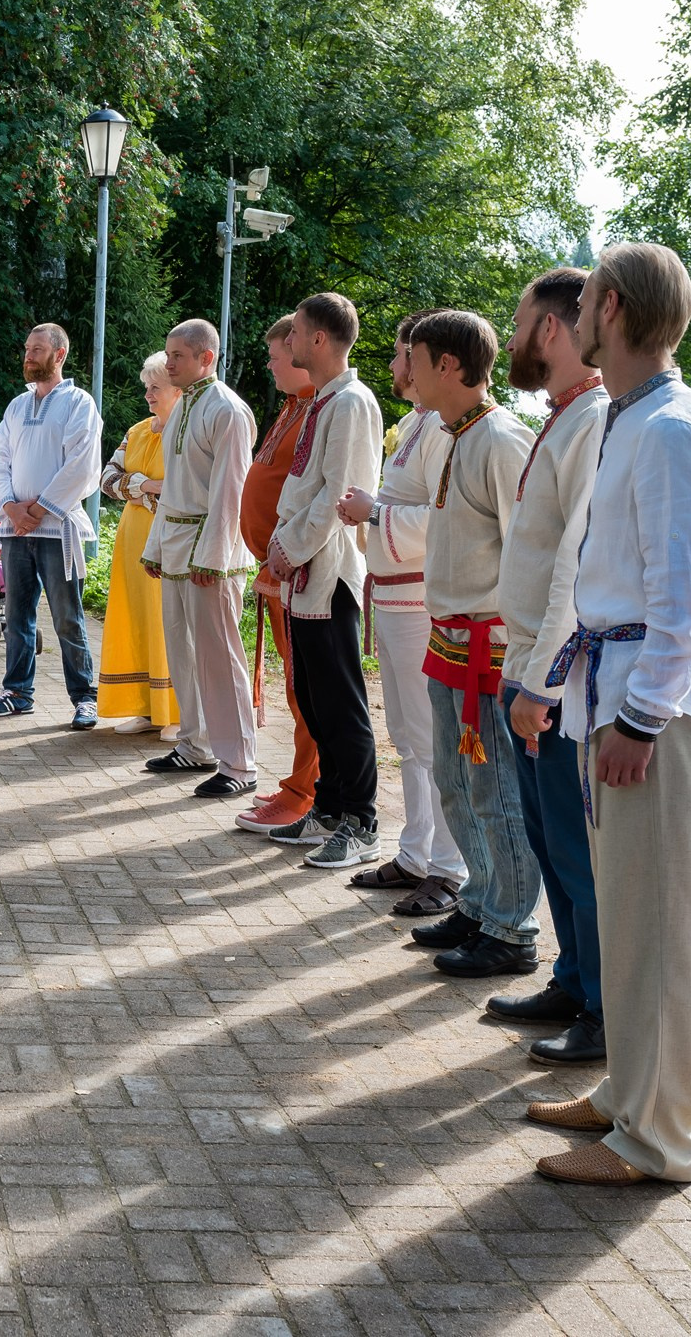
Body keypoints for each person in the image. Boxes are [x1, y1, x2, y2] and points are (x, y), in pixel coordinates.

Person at [530, 243, 691, 1187]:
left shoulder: (673, 429)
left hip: (648, 708)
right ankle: (629, 1093)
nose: (570, 317)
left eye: (582, 301)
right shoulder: (630, 418)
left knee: (655, 925)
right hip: (609, 692)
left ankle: (657, 1140)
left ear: (608, 307)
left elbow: (686, 599)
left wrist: (643, 720)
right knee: (626, 914)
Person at [391, 310, 540, 978]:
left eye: (415, 358)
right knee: (456, 781)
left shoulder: (503, 440)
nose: (408, 370)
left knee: (494, 786)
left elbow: (530, 551)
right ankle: (480, 903)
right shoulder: (451, 435)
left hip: (490, 647)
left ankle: (512, 929)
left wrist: (517, 644)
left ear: (449, 365)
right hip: (449, 643)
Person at [495, 267, 610, 1066]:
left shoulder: (594, 419)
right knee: (549, 839)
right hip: (530, 664)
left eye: (519, 318)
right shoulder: (564, 418)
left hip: (556, 680)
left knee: (575, 847)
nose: (510, 334)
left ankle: (603, 1008)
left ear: (550, 328)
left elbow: (576, 564)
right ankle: (572, 977)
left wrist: (543, 681)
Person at [329, 313, 469, 916]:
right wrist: (377, 511)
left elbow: (446, 521)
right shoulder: (416, 425)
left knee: (434, 737)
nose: (391, 366)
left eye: (399, 355)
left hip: (419, 595)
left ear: (425, 359)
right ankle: (415, 850)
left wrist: (374, 513)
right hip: (392, 593)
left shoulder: (446, 431)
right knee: (409, 735)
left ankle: (449, 866)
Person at [262, 294, 383, 867]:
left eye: (296, 333)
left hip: (328, 570)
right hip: (305, 570)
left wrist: (289, 545)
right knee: (313, 695)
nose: (286, 343)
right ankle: (331, 805)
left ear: (317, 339)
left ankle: (360, 819)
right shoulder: (324, 400)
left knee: (339, 699)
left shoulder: (351, 403)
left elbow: (341, 495)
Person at [139, 320, 257, 798]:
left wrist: (212, 555)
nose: (169, 364)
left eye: (178, 357)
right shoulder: (184, 402)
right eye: (168, 355)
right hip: (176, 545)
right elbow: (175, 488)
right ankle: (196, 744)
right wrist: (155, 546)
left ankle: (241, 764)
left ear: (206, 358)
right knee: (183, 652)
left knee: (220, 658)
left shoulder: (227, 409)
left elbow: (232, 493)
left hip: (214, 552)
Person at [0, 324, 102, 727]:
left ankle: (85, 697)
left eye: (37, 349)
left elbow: (82, 465)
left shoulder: (78, 403)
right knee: (16, 615)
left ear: (60, 354)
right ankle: (17, 691)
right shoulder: (17, 406)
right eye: (27, 349)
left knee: (67, 616)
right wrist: (11, 507)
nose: (28, 356)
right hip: (15, 531)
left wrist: (40, 508)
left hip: (57, 528)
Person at [234, 318, 318, 833]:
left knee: (306, 689)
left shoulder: (321, 408)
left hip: (302, 572)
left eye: (274, 356)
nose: (268, 365)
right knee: (296, 686)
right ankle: (300, 782)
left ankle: (306, 790)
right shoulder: (293, 408)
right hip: (278, 570)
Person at [97, 352, 181, 740]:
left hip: (169, 542)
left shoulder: (187, 432)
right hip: (132, 541)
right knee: (136, 619)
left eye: (156, 387)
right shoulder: (136, 431)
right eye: (146, 387)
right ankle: (146, 707)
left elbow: (180, 491)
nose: (148, 394)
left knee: (167, 622)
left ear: (176, 388)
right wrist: (146, 486)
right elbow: (107, 479)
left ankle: (177, 714)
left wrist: (136, 488)